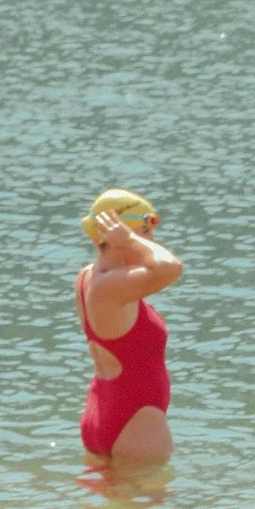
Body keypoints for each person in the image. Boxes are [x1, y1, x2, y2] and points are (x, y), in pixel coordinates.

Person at [75, 188, 181, 463]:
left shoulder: (88, 276)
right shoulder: (109, 286)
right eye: (146, 230)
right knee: (151, 492)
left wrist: (131, 239)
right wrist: (132, 240)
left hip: (103, 410)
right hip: (136, 421)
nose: (153, 240)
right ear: (118, 233)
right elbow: (171, 267)